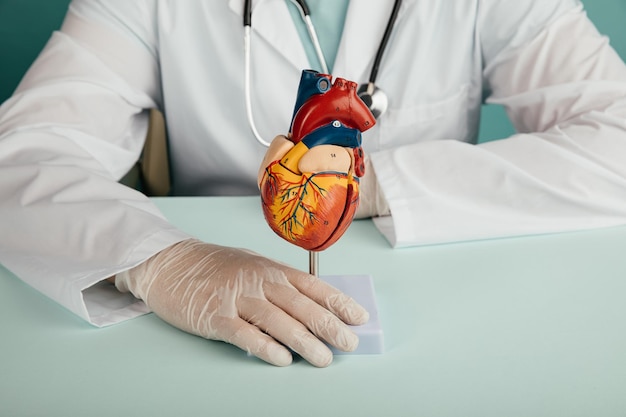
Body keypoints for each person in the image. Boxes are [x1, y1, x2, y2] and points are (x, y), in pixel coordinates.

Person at [1, 0, 625, 367]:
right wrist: (165, 263)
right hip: (214, 312)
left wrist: (373, 182)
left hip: (433, 311)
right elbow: (22, 158)